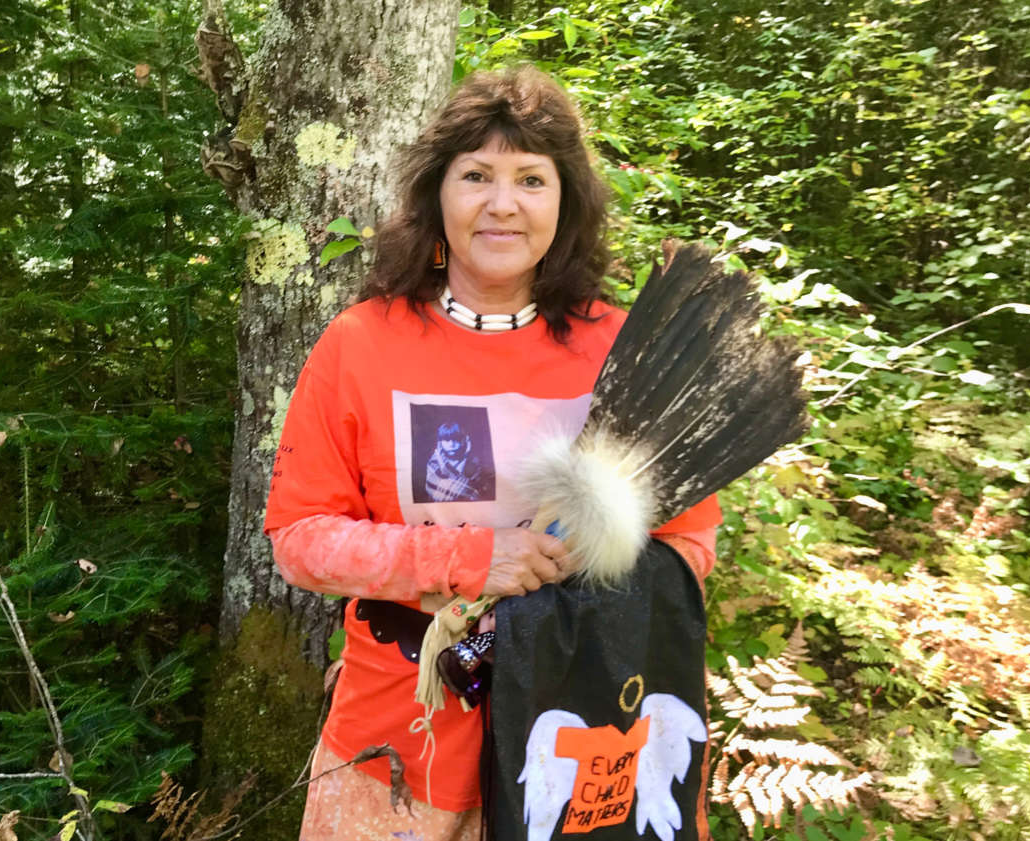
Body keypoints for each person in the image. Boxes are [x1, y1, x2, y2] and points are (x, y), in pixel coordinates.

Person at [264, 66, 721, 841]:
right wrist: (474, 559)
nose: (502, 203)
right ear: (436, 195)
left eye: (531, 179)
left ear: (564, 201)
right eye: (476, 174)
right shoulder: (362, 345)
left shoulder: (617, 348)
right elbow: (301, 539)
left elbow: (691, 539)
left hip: (580, 750)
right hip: (402, 752)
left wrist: (581, 556)